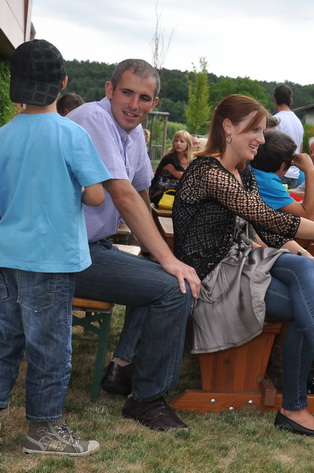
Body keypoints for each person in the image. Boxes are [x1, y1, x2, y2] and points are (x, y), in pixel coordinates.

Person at [173, 94, 314, 437]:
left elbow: (266, 228)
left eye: (262, 131)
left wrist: (305, 254)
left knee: (308, 272)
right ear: (228, 128)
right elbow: (269, 218)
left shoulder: (242, 171)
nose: (261, 139)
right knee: (308, 307)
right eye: (254, 130)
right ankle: (296, 407)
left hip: (237, 262)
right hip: (210, 276)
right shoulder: (208, 172)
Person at [67, 59, 201, 431]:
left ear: (154, 103)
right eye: (127, 93)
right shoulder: (94, 119)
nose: (134, 104)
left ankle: (123, 367)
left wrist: (157, 253)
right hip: (65, 253)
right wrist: (168, 260)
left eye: (144, 98)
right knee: (174, 288)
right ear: (109, 90)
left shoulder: (133, 131)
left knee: (159, 273)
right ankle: (146, 399)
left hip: (92, 247)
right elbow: (123, 194)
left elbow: (142, 194)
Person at [0, 39, 110, 456]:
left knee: (4, 342)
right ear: (62, 83)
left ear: (16, 84)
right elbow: (96, 196)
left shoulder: (3, 135)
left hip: (6, 255)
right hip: (50, 259)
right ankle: (43, 430)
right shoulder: (72, 133)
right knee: (49, 348)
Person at [250, 129, 314, 220]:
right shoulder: (268, 182)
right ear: (283, 165)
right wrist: (310, 172)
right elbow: (308, 216)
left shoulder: (254, 172)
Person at [149, 129, 194, 204]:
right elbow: (183, 176)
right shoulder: (169, 159)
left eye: (182, 141)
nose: (178, 144)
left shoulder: (190, 159)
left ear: (188, 144)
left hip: (175, 194)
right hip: (161, 194)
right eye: (176, 141)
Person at [273, 84, 305, 188]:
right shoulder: (298, 122)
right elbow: (300, 147)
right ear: (291, 101)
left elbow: (270, 148)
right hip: (294, 173)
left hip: (278, 171)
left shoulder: (275, 120)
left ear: (274, 99)